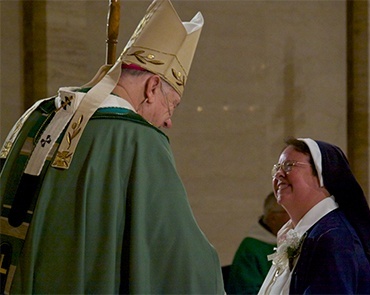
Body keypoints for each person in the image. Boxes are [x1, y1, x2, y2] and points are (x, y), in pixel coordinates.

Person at [0, 0, 225, 294]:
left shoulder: (37, 115)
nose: (168, 121)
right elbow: (179, 257)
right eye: (173, 105)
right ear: (152, 87)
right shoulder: (136, 140)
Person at [258, 137, 370, 294]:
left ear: (322, 175)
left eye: (288, 166)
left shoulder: (334, 238)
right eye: (277, 168)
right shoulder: (309, 234)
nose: (278, 174)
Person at [226, 192, 289, 294]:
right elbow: (246, 290)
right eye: (288, 212)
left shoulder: (294, 242)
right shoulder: (251, 248)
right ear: (273, 218)